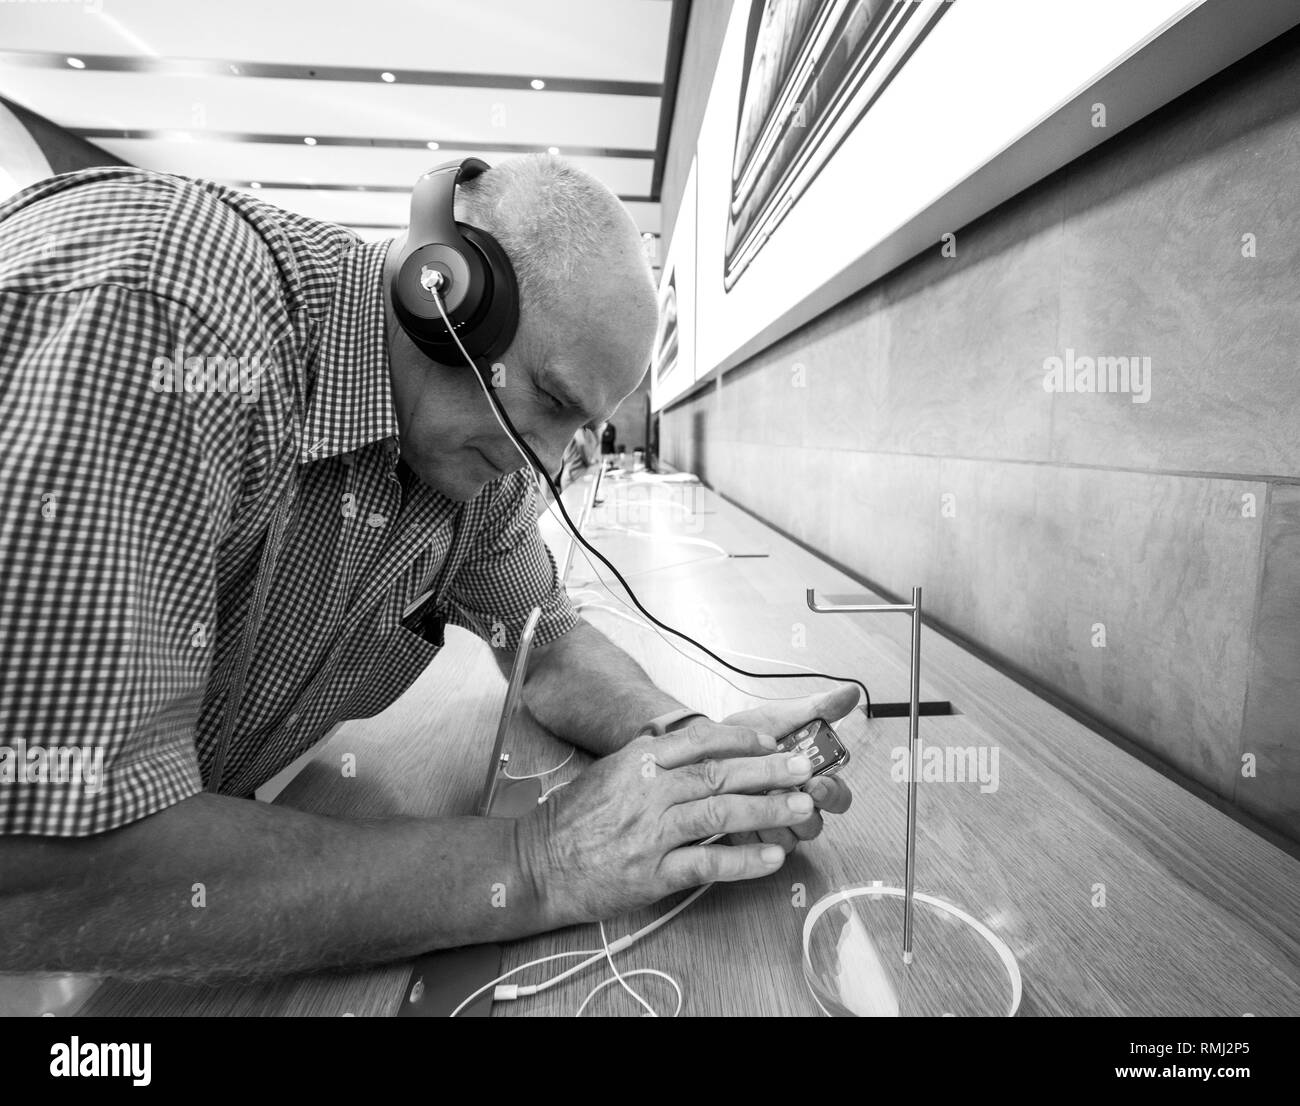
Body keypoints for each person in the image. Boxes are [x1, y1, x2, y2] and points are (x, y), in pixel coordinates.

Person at [0, 153, 854, 982]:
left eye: (579, 429)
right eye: (551, 401)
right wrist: (537, 861)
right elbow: (47, 863)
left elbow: (547, 647)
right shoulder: (168, 314)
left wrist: (695, 754)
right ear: (444, 289)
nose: (541, 462)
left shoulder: (466, 457)